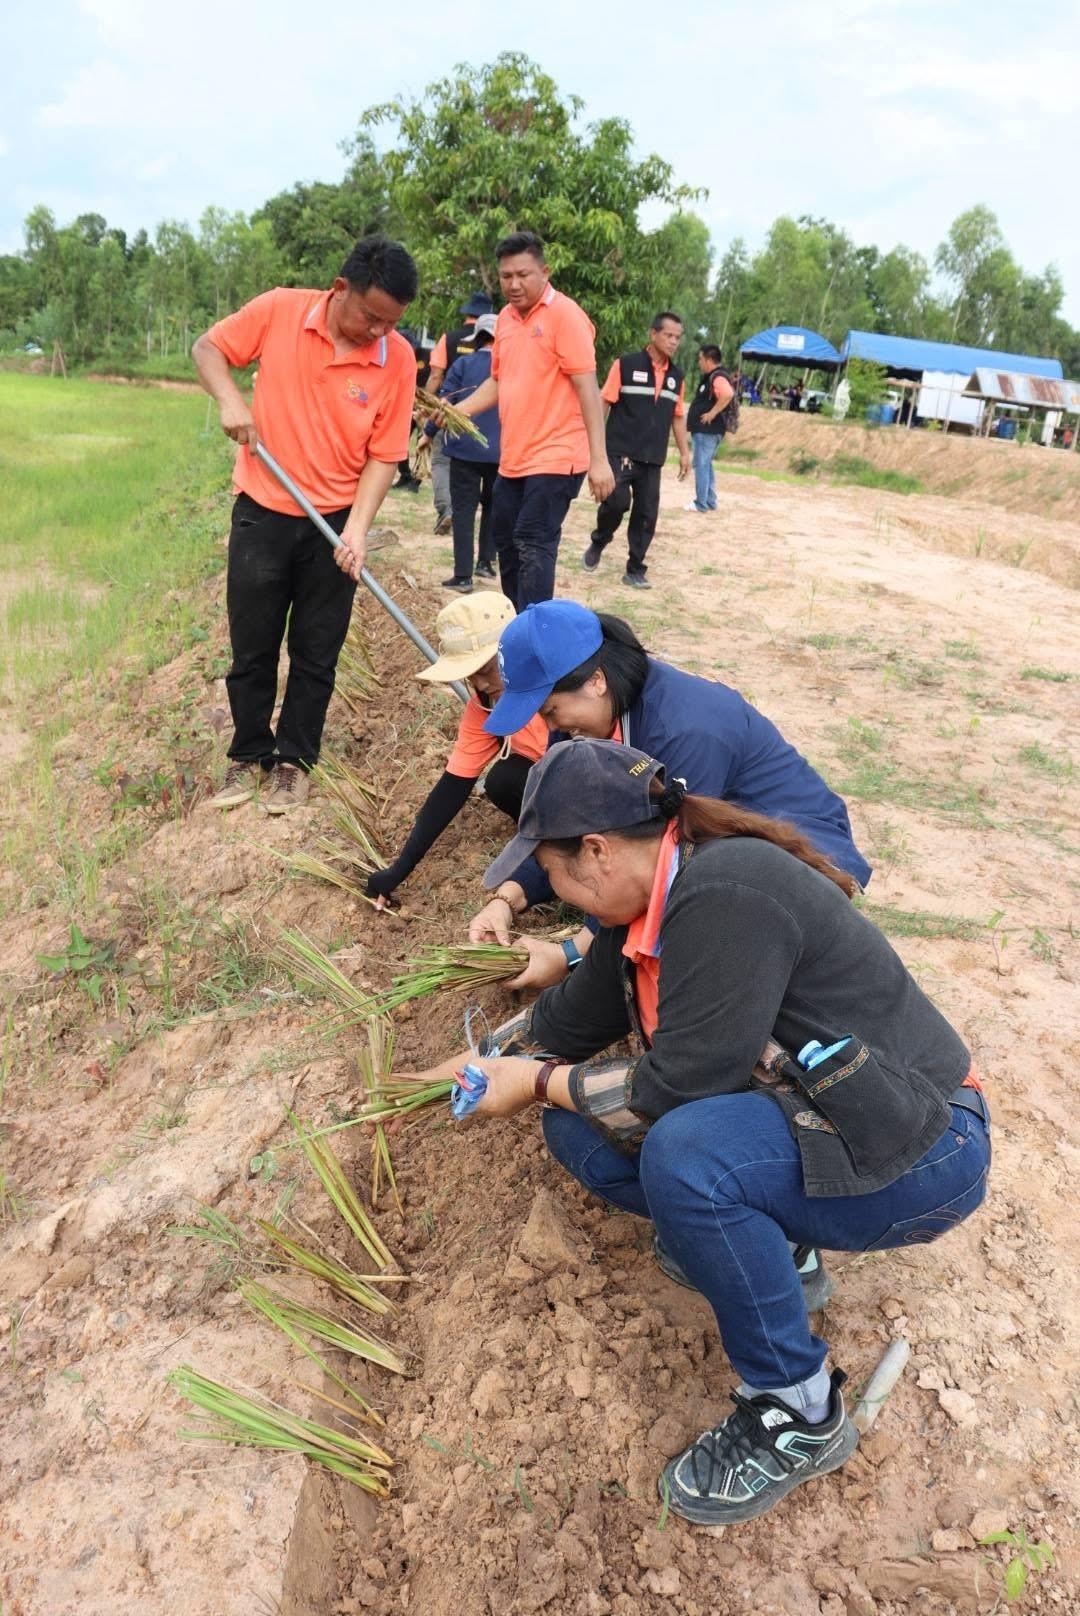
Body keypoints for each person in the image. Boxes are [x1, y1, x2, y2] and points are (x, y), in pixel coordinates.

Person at [404, 737, 991, 1526]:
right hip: (828, 1123)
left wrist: (537, 1082)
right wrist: (484, 1060)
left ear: (598, 851)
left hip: (920, 1148)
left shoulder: (725, 893)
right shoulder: (643, 909)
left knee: (687, 1155)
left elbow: (674, 1089)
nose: (557, 890)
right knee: (582, 1136)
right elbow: (569, 1024)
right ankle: (782, 1250)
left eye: (554, 869)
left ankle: (799, 1411)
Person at [468, 601, 871, 988]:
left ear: (595, 681)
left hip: (803, 855)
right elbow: (563, 818)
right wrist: (506, 898)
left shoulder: (683, 730)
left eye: (550, 710)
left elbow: (658, 866)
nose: (548, 724)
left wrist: (569, 955)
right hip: (719, 843)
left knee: (701, 935)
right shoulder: (581, 721)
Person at [193, 234, 418, 814]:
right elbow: (207, 349)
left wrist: (359, 528)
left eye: (389, 324)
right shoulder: (280, 310)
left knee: (317, 650)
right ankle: (246, 755)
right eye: (371, 317)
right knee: (253, 645)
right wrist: (229, 401)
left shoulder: (397, 359)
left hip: (335, 522)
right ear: (340, 289)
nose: (377, 333)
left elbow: (386, 455)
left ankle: (294, 762)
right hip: (263, 511)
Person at [453, 231, 615, 608]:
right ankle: (520, 622)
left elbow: (588, 388)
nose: (514, 284)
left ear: (545, 272)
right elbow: (498, 380)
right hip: (514, 458)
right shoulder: (505, 321)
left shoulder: (566, 316)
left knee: (532, 539)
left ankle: (537, 632)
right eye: (506, 276)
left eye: (523, 275)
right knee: (505, 538)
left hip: (558, 456)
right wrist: (457, 412)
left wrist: (599, 459)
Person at [365, 593, 547, 910]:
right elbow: (453, 786)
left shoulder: (559, 680)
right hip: (547, 779)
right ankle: (549, 837)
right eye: (470, 672)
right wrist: (398, 870)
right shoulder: (485, 702)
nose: (479, 682)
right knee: (503, 780)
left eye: (487, 667)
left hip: (593, 777)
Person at [580, 312, 691, 590]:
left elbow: (677, 416)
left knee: (646, 514)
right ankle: (599, 540)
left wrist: (685, 452)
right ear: (653, 334)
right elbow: (604, 401)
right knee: (616, 501)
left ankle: (635, 568)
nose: (674, 342)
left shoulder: (677, 377)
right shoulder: (626, 365)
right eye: (669, 335)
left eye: (678, 338)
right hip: (620, 451)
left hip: (652, 457)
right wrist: (594, 445)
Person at [422, 313, 501, 593]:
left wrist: (428, 432)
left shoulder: (464, 363)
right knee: (493, 507)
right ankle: (486, 563)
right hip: (501, 453)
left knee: (464, 511)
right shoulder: (510, 368)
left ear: (477, 338)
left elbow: (445, 404)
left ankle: (463, 576)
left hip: (465, 451)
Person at [423, 291, 494, 535]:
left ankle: (446, 508)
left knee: (441, 461)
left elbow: (436, 375)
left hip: (451, 415)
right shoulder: (501, 348)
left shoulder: (449, 338)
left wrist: (426, 408)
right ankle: (486, 552)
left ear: (466, 314)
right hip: (492, 425)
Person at [684, 344, 735, 515]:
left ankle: (701, 503)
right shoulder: (712, 376)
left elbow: (727, 394)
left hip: (708, 430)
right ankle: (710, 500)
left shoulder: (717, 376)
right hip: (707, 431)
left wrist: (712, 413)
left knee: (701, 464)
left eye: (700, 359)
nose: (699, 362)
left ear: (708, 359)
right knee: (706, 464)